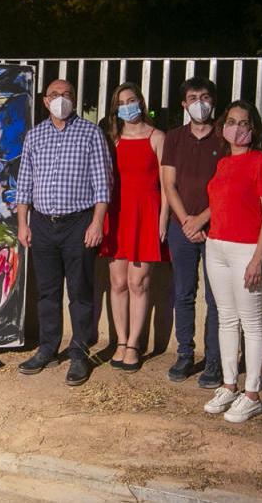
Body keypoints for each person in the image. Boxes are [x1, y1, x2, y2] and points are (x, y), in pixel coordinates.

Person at [16, 79, 113, 386]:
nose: (61, 100)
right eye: (55, 95)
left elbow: (103, 182)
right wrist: (23, 222)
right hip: (43, 223)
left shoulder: (91, 134)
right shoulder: (35, 136)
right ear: (46, 101)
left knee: (81, 292)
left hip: (78, 223)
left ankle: (79, 353)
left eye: (67, 95)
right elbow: (24, 183)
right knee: (47, 292)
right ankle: (47, 348)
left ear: (74, 99)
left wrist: (97, 222)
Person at [200, 100, 262, 423]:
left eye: (244, 123)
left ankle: (252, 393)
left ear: (254, 128)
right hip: (216, 247)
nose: (237, 128)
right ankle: (230, 385)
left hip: (247, 250)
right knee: (226, 319)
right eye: (231, 121)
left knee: (252, 322)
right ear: (223, 126)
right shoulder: (222, 163)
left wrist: (258, 258)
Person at [100, 83, 169, 372]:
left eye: (132, 99)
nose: (128, 105)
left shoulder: (158, 137)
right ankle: (120, 340)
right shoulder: (112, 139)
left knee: (138, 283)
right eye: (122, 102)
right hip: (117, 214)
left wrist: (163, 219)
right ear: (116, 109)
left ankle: (134, 344)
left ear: (141, 101)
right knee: (117, 283)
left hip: (146, 214)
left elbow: (167, 186)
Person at [160, 78, 224, 387]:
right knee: (183, 293)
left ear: (213, 101)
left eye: (205, 97)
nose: (199, 102)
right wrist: (187, 220)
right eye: (193, 97)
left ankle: (214, 361)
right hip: (180, 228)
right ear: (184, 104)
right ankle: (185, 354)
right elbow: (168, 184)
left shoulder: (225, 138)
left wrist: (202, 220)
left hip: (217, 229)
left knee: (216, 298)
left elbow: (227, 188)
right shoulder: (174, 138)